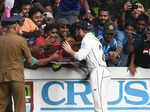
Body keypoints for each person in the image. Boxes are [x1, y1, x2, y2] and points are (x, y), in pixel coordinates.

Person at [62, 20, 111, 112]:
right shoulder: (93, 38)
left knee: (99, 105)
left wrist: (70, 51)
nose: (76, 32)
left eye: (77, 30)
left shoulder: (87, 39)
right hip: (102, 71)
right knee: (101, 103)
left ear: (80, 30)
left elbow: (80, 56)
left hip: (98, 72)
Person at [0, 16, 32, 112]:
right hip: (17, 77)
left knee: (1, 105)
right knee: (20, 106)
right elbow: (29, 61)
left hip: (2, 77)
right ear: (15, 27)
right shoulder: (20, 40)